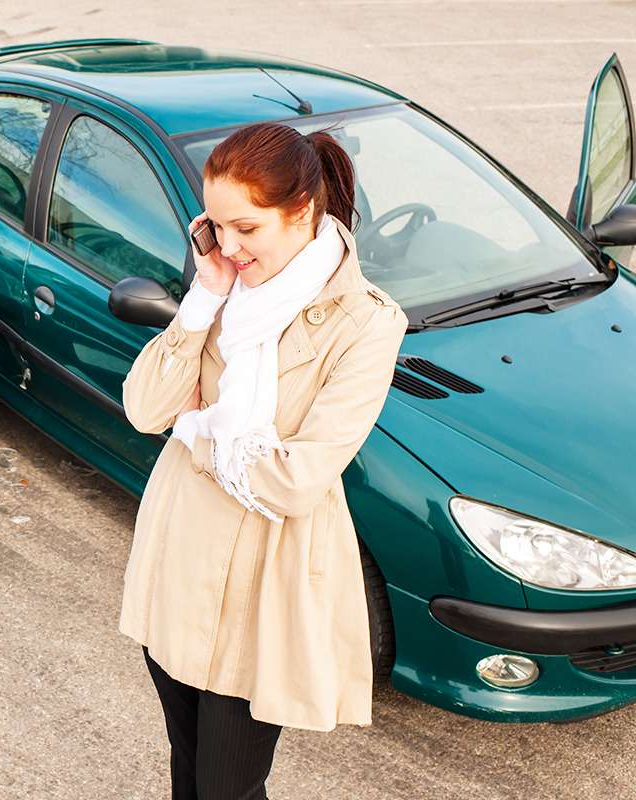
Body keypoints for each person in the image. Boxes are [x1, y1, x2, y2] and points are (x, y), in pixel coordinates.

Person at [120, 122, 407, 800]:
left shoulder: (365, 323)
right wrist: (203, 299)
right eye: (215, 226)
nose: (228, 246)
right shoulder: (223, 292)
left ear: (302, 211)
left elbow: (296, 480)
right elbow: (145, 407)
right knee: (188, 769)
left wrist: (197, 433)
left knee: (229, 787)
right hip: (180, 561)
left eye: (246, 228)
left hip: (266, 584)